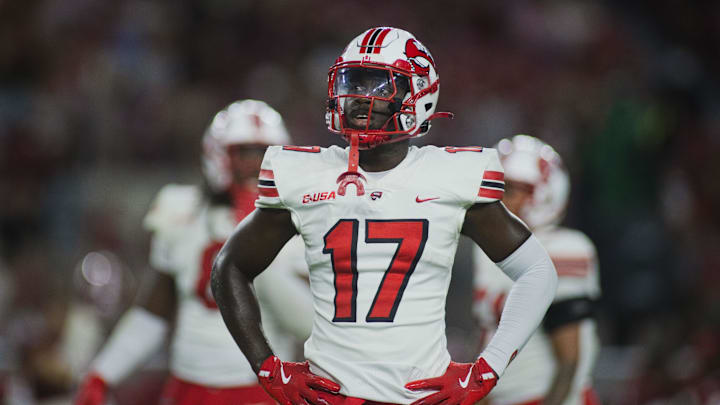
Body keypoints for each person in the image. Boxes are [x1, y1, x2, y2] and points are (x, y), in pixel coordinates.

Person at [212, 27, 559, 405]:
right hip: (332, 397)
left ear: (419, 95)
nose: (360, 97)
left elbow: (538, 271)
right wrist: (267, 367)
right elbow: (229, 267)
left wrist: (487, 368)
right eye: (354, 82)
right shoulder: (304, 174)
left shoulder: (452, 176)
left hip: (418, 397)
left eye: (380, 85)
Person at [74, 99, 314, 405]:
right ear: (218, 154)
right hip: (186, 388)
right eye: (246, 152)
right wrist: (103, 372)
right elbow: (153, 312)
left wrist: (260, 250)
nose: (256, 163)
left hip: (259, 390)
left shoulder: (300, 220)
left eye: (265, 152)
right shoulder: (181, 210)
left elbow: (308, 326)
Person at [473, 135, 601, 405]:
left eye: (508, 189)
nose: (496, 198)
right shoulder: (488, 250)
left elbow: (569, 361)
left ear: (543, 193)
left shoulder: (561, 247)